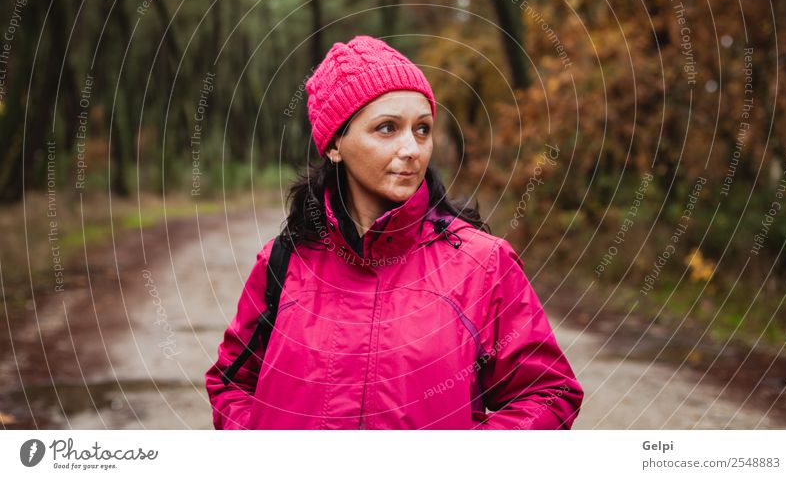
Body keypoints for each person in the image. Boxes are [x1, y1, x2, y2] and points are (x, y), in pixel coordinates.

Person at [205, 35, 583, 429]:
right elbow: (231, 384)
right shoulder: (282, 262)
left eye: (422, 130)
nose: (412, 149)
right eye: (387, 128)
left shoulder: (483, 264)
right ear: (335, 144)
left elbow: (547, 393)